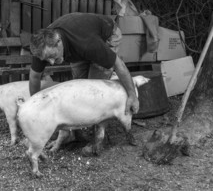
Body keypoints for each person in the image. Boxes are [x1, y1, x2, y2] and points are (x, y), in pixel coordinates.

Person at [28, 12, 139, 152]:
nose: (50, 62)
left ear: (59, 42)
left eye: (52, 56)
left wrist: (132, 95)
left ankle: (99, 140)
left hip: (107, 35)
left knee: (96, 94)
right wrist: (36, 106)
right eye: (46, 59)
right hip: (78, 43)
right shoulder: (42, 47)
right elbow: (34, 77)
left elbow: (119, 65)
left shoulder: (87, 43)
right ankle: (72, 135)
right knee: (79, 92)